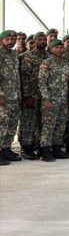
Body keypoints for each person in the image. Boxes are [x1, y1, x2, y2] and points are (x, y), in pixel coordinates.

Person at [0, 30, 22, 165]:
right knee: (1, 124)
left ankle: (6, 149)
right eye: (8, 39)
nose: (11, 41)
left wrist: (18, 93)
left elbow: (16, 75)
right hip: (3, 96)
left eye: (13, 39)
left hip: (14, 95)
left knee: (11, 124)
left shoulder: (13, 54)